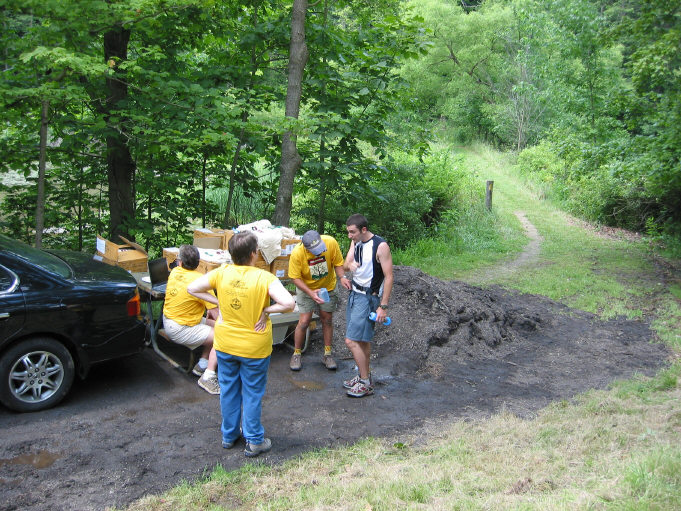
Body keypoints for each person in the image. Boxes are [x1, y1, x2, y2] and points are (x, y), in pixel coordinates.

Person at [188, 231, 295, 457]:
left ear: (231, 254)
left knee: (228, 389)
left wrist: (218, 301)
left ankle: (229, 435)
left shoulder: (221, 273)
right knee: (252, 393)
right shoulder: (264, 278)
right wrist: (267, 310)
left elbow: (192, 288)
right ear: (254, 254)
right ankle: (254, 439)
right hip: (254, 348)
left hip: (226, 344)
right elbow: (288, 303)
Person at [342, 214, 393, 398]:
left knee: (351, 340)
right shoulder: (355, 242)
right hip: (354, 295)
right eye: (348, 232)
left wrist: (383, 306)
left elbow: (389, 277)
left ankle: (365, 383)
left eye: (352, 232)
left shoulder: (380, 246)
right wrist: (350, 266)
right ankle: (363, 376)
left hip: (368, 298)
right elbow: (345, 265)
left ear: (364, 229)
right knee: (362, 340)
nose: (349, 235)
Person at [162, 244, 220, 395]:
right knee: (223, 334)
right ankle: (208, 376)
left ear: (180, 262)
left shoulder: (174, 272)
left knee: (217, 327)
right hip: (182, 327)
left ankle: (202, 364)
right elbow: (216, 313)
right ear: (198, 263)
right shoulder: (200, 280)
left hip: (171, 320)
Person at [287, 230, 346, 372]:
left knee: (327, 319)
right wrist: (310, 292)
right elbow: (295, 278)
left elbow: (338, 263)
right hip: (306, 289)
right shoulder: (297, 253)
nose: (318, 253)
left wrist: (342, 277)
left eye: (320, 249)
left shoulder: (330, 242)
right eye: (315, 251)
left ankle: (327, 354)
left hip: (327, 288)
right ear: (305, 248)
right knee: (304, 321)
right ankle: (296, 354)